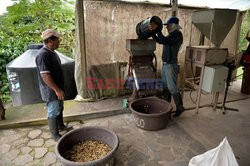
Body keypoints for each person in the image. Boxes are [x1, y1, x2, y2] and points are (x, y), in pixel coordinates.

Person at [36, 29, 68, 141]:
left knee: (60, 107)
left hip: (58, 88)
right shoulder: (43, 55)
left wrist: (60, 89)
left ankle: (61, 126)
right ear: (50, 40)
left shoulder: (52, 52)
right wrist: (57, 90)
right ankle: (55, 135)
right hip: (51, 90)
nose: (59, 41)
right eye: (57, 39)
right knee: (53, 110)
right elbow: (45, 76)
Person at [152, 16, 184, 117]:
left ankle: (180, 107)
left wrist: (157, 30)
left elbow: (165, 41)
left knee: (172, 87)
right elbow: (161, 41)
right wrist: (153, 33)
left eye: (168, 26)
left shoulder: (177, 35)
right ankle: (166, 108)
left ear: (174, 26)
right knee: (165, 87)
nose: (166, 27)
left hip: (171, 65)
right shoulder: (171, 36)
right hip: (166, 64)